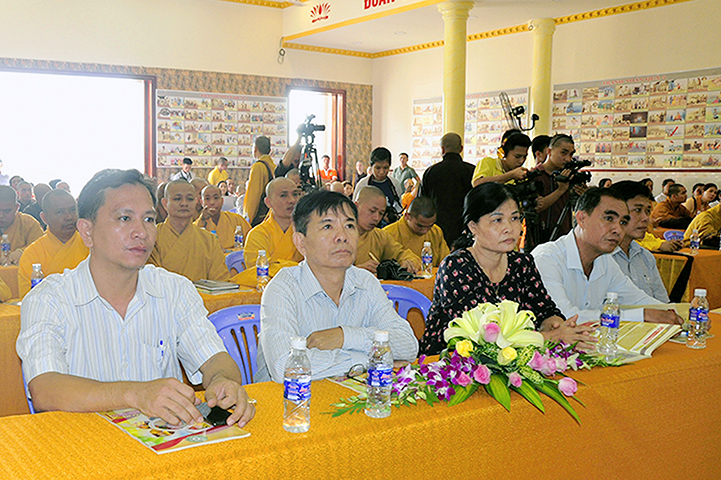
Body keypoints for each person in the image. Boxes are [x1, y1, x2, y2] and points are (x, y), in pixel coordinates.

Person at [16, 169, 254, 427]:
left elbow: (215, 358)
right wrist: (135, 394)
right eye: (125, 218)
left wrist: (222, 381)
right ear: (87, 231)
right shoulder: (49, 299)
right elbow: (44, 388)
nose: (141, 232)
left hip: (164, 442)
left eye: (149, 219)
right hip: (84, 442)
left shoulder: (174, 290)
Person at [255, 190, 418, 382]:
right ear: (301, 242)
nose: (342, 236)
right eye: (327, 226)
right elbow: (285, 366)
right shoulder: (283, 288)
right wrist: (371, 359)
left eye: (349, 225)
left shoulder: (365, 282)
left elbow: (408, 346)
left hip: (350, 395)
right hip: (291, 398)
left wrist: (345, 336)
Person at [418, 183, 596, 355]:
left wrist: (558, 327)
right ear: (473, 227)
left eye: (515, 218)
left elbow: (546, 310)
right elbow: (480, 339)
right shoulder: (456, 267)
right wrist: (551, 337)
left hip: (514, 361)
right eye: (497, 220)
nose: (509, 228)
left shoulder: (522, 264)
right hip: (450, 363)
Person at [532, 187, 683, 325]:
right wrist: (641, 315)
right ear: (582, 219)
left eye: (623, 222)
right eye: (609, 218)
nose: (618, 230)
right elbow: (564, 317)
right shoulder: (547, 258)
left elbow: (637, 299)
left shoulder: (605, 260)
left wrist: (677, 314)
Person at [149, 180, 229, 282]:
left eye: (190, 199)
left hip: (201, 293)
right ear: (165, 203)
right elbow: (150, 279)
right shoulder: (153, 236)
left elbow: (220, 281)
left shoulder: (209, 240)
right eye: (177, 199)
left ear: (196, 202)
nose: (184, 203)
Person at [18, 189, 89, 298]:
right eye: (60, 212)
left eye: (73, 210)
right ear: (44, 218)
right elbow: (28, 298)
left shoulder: (92, 245)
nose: (69, 217)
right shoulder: (32, 254)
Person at [610, 181, 670, 302]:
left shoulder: (646, 257)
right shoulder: (600, 258)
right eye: (637, 210)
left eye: (647, 211)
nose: (646, 218)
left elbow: (662, 303)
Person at [419, 132, 475, 247]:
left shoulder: (431, 172)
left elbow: (423, 202)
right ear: (461, 149)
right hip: (464, 229)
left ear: (442, 149)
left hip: (437, 228)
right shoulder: (472, 171)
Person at [532, 133, 588, 245]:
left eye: (571, 154)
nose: (568, 159)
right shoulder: (535, 176)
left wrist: (585, 196)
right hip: (538, 237)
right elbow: (536, 207)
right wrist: (560, 190)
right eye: (563, 153)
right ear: (549, 151)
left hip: (563, 237)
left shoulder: (570, 177)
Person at [353, 186, 421, 275]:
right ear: (356, 206)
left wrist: (409, 262)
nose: (377, 218)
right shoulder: (338, 235)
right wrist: (356, 271)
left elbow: (401, 254)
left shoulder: (380, 237)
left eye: (381, 213)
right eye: (372, 211)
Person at [383, 196, 450, 268]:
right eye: (420, 226)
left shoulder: (436, 231)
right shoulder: (387, 234)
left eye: (430, 226)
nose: (425, 231)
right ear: (407, 216)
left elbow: (446, 262)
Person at [354, 147, 403, 226]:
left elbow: (399, 206)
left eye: (385, 168)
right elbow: (355, 210)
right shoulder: (363, 184)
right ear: (371, 166)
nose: (382, 172)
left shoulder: (395, 184)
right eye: (378, 168)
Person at [194, 185, 251, 250]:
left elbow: (251, 242)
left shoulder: (237, 220)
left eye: (216, 198)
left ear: (222, 201)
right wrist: (202, 220)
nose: (212, 202)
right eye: (207, 199)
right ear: (202, 202)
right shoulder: (197, 225)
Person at [0, 185, 44, 264]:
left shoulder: (28, 223)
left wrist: (23, 252)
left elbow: (42, 247)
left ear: (17, 207)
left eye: (7, 211)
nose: (1, 216)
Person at [244, 136, 276, 227]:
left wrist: (247, 219)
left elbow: (253, 196)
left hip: (260, 218)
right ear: (270, 150)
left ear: (255, 149)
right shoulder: (273, 166)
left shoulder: (258, 167)